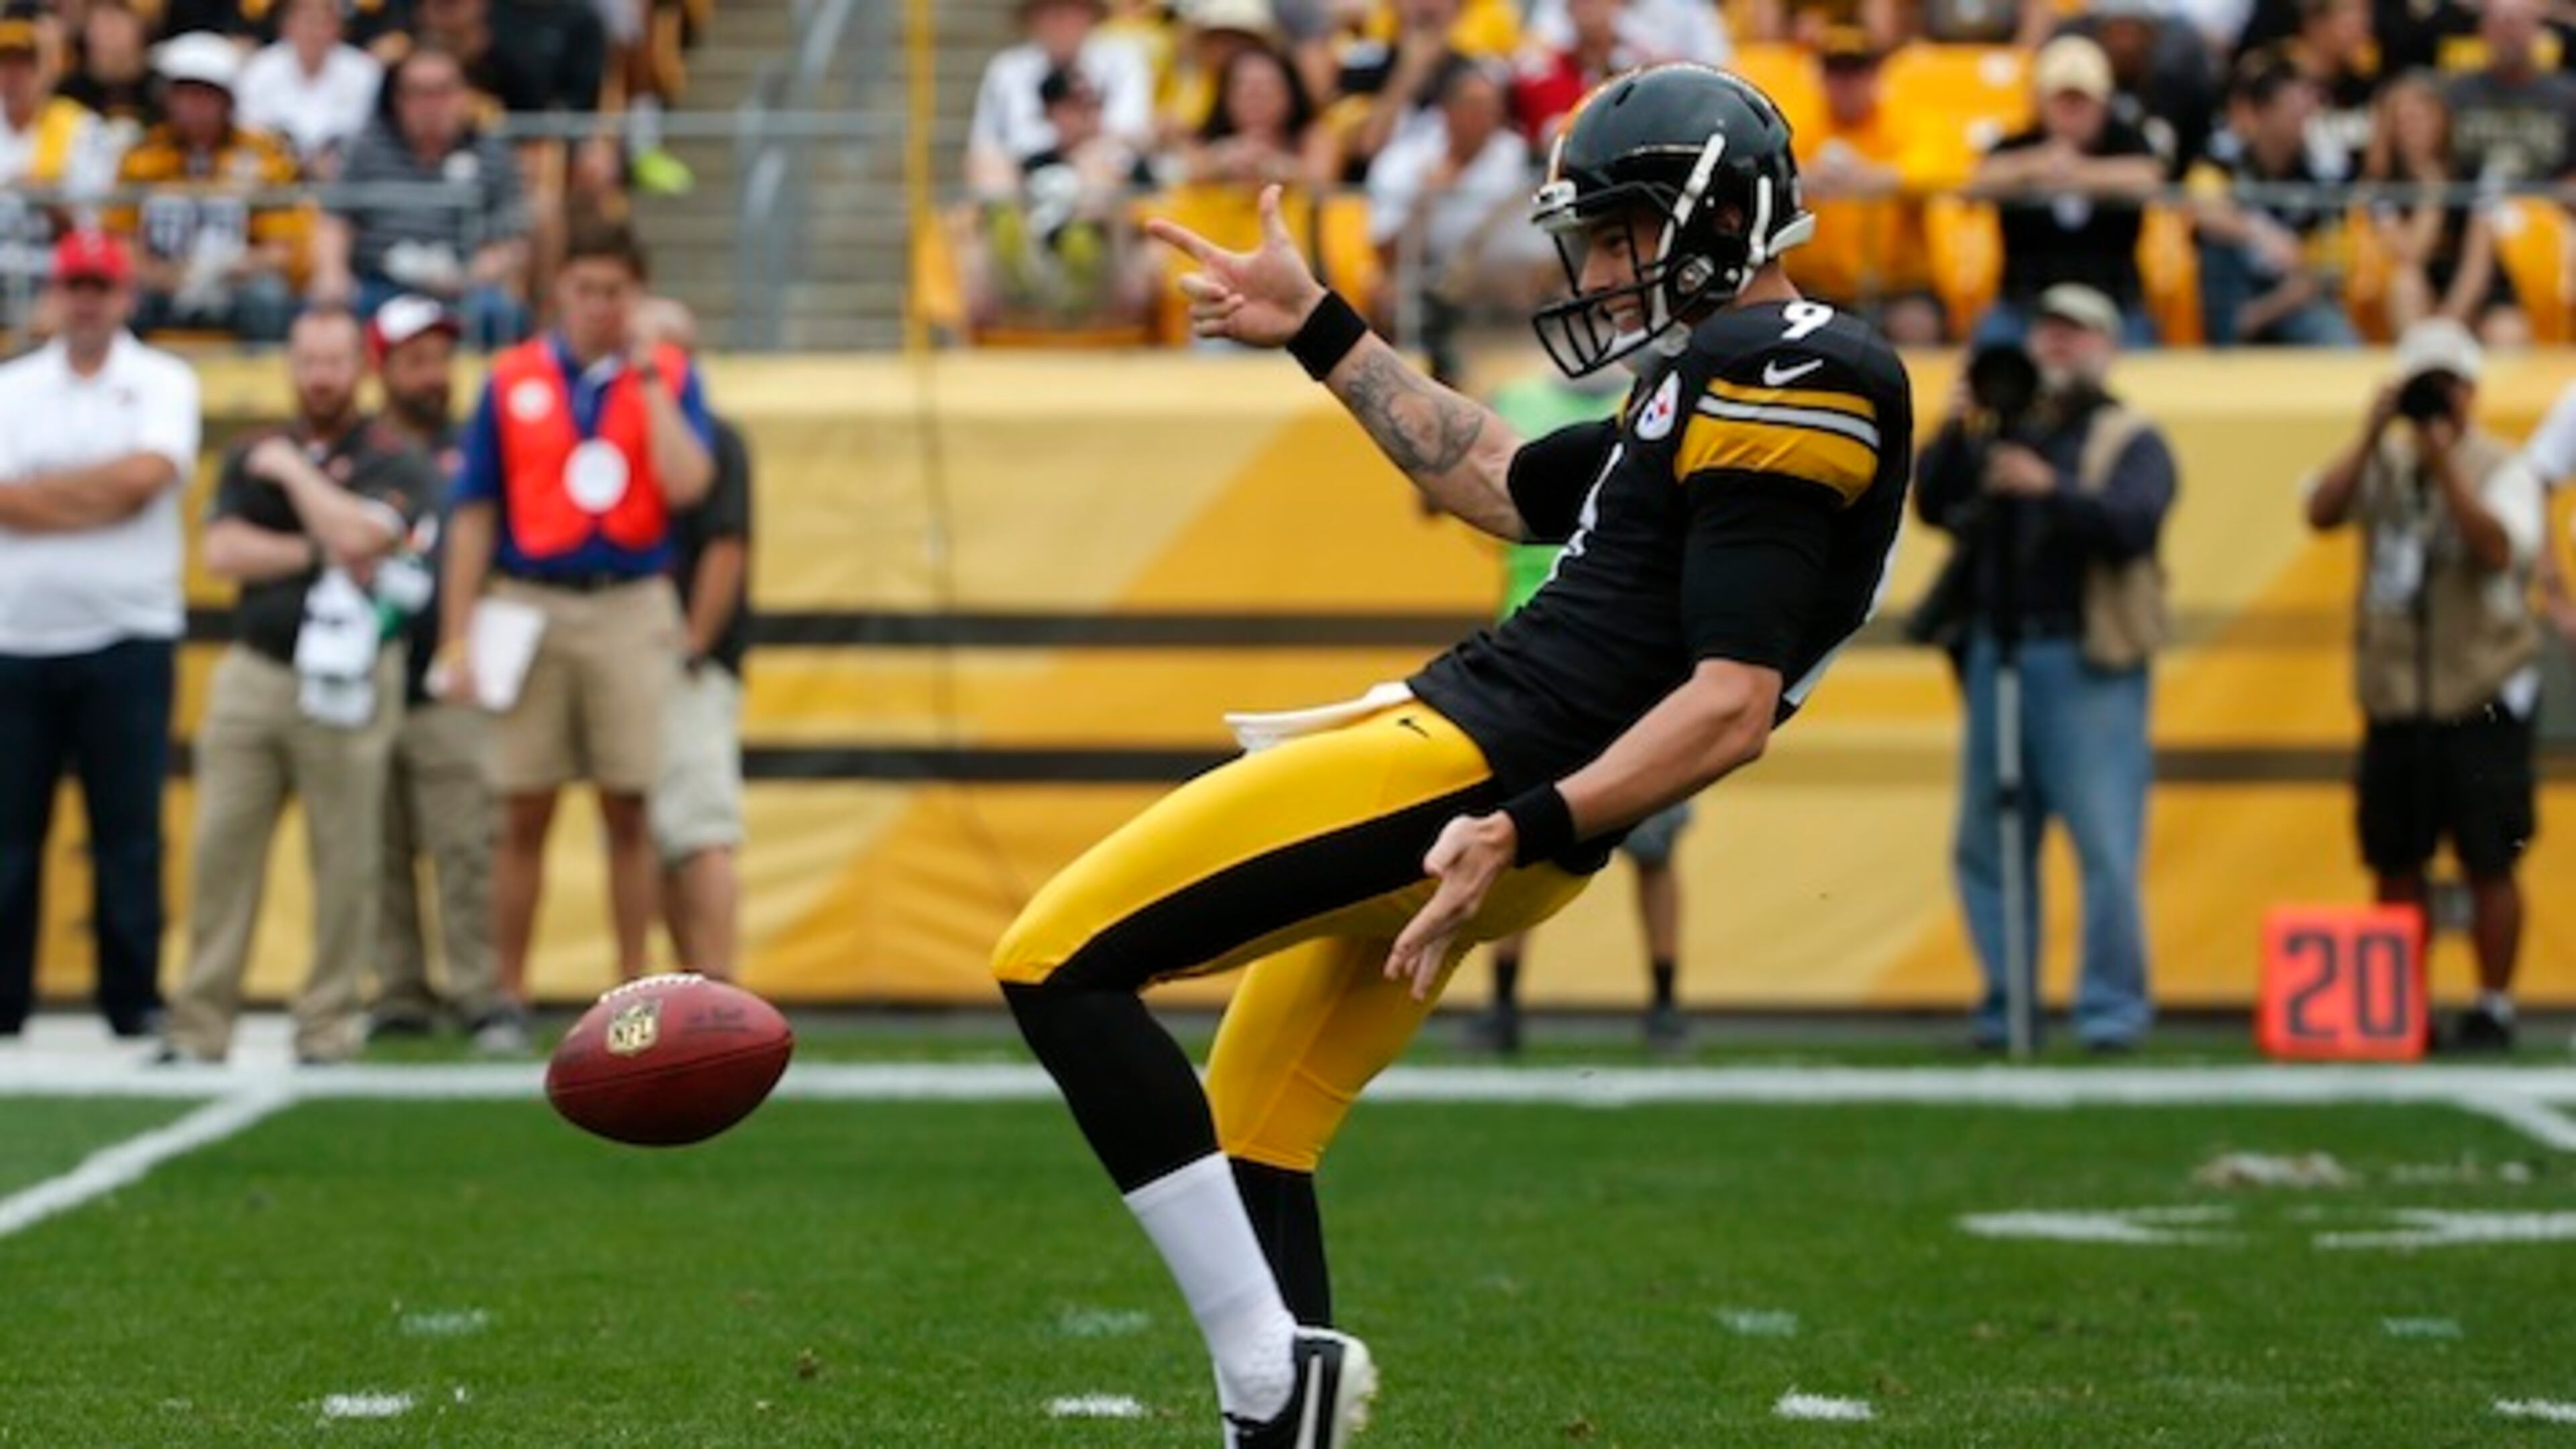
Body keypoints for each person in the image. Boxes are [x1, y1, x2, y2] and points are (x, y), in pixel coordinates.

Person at [1003, 66, 1911, 1446]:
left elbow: (1732, 701)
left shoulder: (1795, 370)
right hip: (1490, 783)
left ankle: (1268, 1373)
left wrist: (1526, 819)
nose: (1597, 264)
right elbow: (1488, 473)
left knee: (1056, 961)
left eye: (1619, 233)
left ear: (1723, 219)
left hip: (1476, 767)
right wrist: (1317, 327)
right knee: (1253, 1126)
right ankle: (1279, 1422)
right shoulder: (1699, 382)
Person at [436, 220, 714, 1038]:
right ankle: (506, 995)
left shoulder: (665, 374)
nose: (598, 307)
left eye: (614, 293)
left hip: (629, 599)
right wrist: (458, 635)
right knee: (522, 807)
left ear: (638, 298)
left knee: (629, 807)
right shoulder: (512, 378)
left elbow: (690, 485)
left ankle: (633, 993)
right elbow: (476, 513)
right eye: (586, 291)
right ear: (560, 292)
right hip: (532, 599)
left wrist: (650, 382)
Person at [161, 309, 434, 1065]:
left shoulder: (391, 456)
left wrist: (293, 480)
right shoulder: (253, 448)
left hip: (349, 677)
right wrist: (321, 539)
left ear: (360, 367)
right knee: (220, 850)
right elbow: (223, 551)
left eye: (335, 360)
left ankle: (326, 1025)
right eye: (308, 359)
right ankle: (199, 1025)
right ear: (288, 363)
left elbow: (367, 537)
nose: (320, 375)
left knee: (345, 858)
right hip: (256, 668)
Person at [1915, 283, 2177, 1053]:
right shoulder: (1997, 424)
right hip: (1998, 648)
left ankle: (2110, 1013)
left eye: (2077, 333)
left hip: (2086, 655)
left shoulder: (2131, 436)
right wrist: (1956, 426)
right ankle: (2008, 1007)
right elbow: (1933, 503)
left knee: (2104, 842)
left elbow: (2132, 526)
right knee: (1989, 841)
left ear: (2109, 348)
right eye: (2048, 331)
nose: (2058, 345)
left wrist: (2050, 489)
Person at [2302, 320, 2544, 1053]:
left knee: (2489, 856)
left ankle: (2492, 1002)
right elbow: (2320, 512)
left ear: (2472, 392)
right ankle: (2395, 1002)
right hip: (2397, 693)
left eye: (2450, 385)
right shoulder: (2380, 464)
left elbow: (2498, 547)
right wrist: (2372, 434)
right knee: (2396, 857)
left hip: (2481, 688)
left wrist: (2446, 466)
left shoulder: (2503, 464)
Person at [0, 231, 197, 1042]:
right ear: (56, 293)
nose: (86, 300)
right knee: (9, 837)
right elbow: (103, 490)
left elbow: (147, 480)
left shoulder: (161, 379)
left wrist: (43, 494)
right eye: (75, 285)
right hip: (18, 639)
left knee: (129, 833)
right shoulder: (13, 385)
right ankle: (5, 1002)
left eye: (99, 286)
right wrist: (99, 494)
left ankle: (133, 998)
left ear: (124, 296)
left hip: (129, 635)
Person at [1466, 364, 1693, 1057]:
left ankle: (1663, 1001)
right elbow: (1461, 497)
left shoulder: (1662, 400)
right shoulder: (1518, 398)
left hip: (1620, 654)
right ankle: (1507, 1004)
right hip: (1539, 652)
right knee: (1511, 838)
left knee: (1649, 845)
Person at [367, 294, 510, 1049]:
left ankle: (479, 990)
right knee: (379, 844)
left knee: (465, 840)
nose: (432, 375)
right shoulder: (364, 450)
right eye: (415, 360)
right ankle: (399, 988)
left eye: (439, 358)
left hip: (452, 670)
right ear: (382, 369)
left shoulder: (474, 447)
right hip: (370, 672)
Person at [638, 297, 750, 981]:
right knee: (651, 837)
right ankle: (689, 984)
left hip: (688, 662)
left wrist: (692, 645)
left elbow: (726, 546)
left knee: (701, 829)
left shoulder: (717, 437)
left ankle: (720, 987)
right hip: (637, 657)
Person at [311, 44, 531, 350]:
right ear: (398, 100)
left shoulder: (491, 151)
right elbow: (335, 218)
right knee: (325, 310)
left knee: (498, 313)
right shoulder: (368, 147)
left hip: (462, 286)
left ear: (465, 95)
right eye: (418, 93)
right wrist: (333, 273)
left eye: (443, 91)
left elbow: (512, 241)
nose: (431, 105)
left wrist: (469, 276)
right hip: (380, 283)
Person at [1966, 36, 2164, 349]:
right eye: (2062, 101)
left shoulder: (2125, 142)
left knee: (2143, 357)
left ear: (2103, 104)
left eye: (2081, 102)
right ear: (2040, 102)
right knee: (1991, 351)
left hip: (2112, 301)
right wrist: (2036, 165)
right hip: (2026, 301)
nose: (2072, 112)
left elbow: (2150, 178)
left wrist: (2079, 172)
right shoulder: (2018, 146)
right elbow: (1975, 185)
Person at [109, 32, 305, 343]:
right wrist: (163, 276)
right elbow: (120, 242)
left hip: (235, 281)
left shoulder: (265, 155)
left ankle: (263, 384)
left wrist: (231, 269)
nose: (193, 106)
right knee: (122, 296)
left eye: (204, 95)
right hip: (162, 281)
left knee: (268, 297)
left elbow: (282, 249)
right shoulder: (142, 156)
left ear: (227, 99)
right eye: (183, 93)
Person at [1790, 28, 1951, 347]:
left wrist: (1877, 178)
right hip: (1817, 285)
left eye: (1856, 72)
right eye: (1836, 73)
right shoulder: (1803, 124)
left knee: (1916, 323)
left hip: (1897, 285)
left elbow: (1940, 168)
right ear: (1822, 78)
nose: (1846, 84)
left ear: (1875, 76)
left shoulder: (1902, 121)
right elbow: (1773, 166)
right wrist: (1806, 177)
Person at [2185, 52, 2359, 347]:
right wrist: (2260, 233)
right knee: (2219, 246)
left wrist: (2263, 313)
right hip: (2231, 291)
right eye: (2292, 107)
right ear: (2261, 113)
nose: (2304, 116)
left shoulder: (2320, 170)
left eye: (2308, 106)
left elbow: (2330, 263)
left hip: (2290, 298)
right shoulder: (2224, 158)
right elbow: (2202, 211)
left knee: (2338, 340)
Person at [2363, 72, 2524, 346]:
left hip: (2474, 289)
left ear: (2441, 120)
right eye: (2401, 121)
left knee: (2508, 330)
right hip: (2424, 285)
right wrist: (2432, 199)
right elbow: (2409, 254)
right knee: (2405, 285)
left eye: (2419, 118)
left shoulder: (2475, 174)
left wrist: (2449, 321)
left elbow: (2478, 262)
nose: (2411, 129)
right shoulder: (2381, 185)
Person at [965, 0, 1155, 199]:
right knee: (988, 168)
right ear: (1033, 18)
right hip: (1026, 173)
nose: (1060, 20)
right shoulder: (1006, 69)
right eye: (1050, 11)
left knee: (1098, 167)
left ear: (1090, 16)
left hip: (1101, 169)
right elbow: (983, 143)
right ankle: (1008, 227)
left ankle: (1083, 229)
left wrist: (1083, 142)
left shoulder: (1122, 59)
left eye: (1071, 10)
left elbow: (1131, 129)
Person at [237, 0, 385, 178]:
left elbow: (369, 130)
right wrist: (293, 161)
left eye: (324, 22)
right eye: (306, 20)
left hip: (344, 176)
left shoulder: (364, 71)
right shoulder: (260, 68)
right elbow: (249, 125)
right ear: (286, 25)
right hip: (275, 176)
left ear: (339, 27)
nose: (314, 30)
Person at [2443, 0, 2576, 184]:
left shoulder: (2568, 96)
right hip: (2471, 206)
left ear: (2537, 32)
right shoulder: (2456, 94)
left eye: (2516, 25)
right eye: (2499, 26)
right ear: (2483, 32)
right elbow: (2438, 162)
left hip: (2548, 208)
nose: (2508, 36)